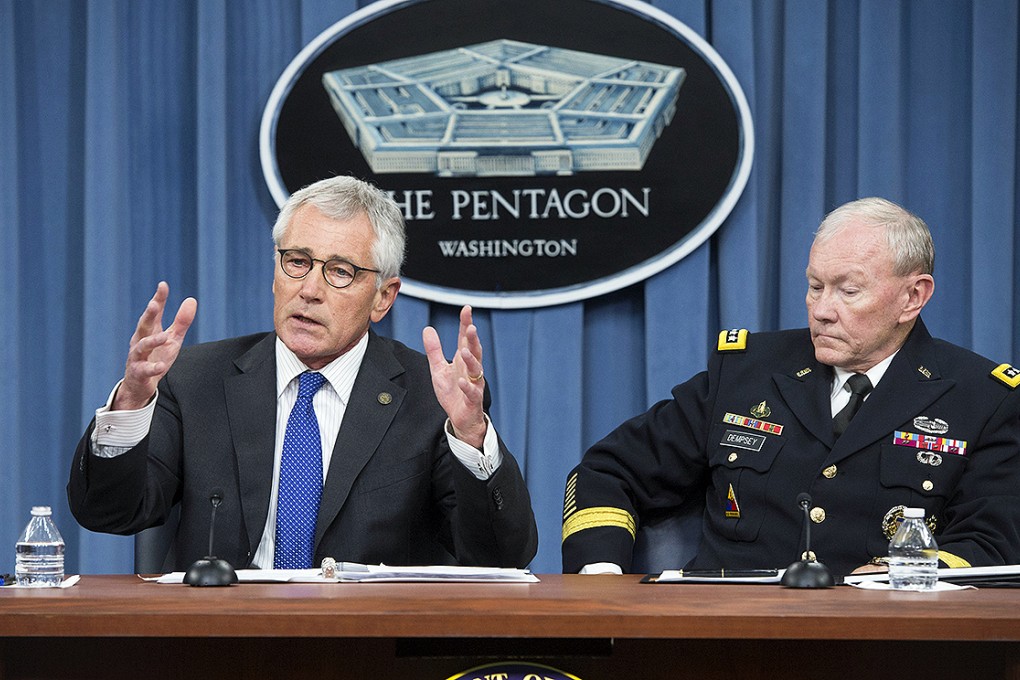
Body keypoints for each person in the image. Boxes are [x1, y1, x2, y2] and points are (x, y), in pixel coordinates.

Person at [68, 175, 538, 572]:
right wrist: (130, 403)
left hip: (368, 650)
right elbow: (108, 512)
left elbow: (501, 556)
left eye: (339, 271)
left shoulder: (430, 396)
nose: (309, 290)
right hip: (218, 645)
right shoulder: (194, 379)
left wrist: (472, 434)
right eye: (297, 262)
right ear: (275, 271)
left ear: (383, 297)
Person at [562, 197, 1020, 576]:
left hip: (881, 640)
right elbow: (609, 470)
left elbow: (993, 537)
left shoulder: (982, 398)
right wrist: (601, 576)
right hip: (725, 635)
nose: (821, 309)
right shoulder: (745, 373)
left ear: (913, 297)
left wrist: (902, 577)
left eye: (848, 291)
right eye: (815, 286)